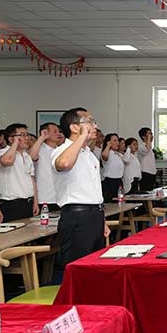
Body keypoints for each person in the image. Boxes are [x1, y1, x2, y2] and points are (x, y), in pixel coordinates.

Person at [52, 108, 110, 268]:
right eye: (90, 121)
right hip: (77, 217)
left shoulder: (89, 154)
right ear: (74, 127)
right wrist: (83, 136)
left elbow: (93, 191)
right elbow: (64, 163)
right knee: (78, 268)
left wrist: (102, 220)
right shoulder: (61, 150)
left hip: (95, 215)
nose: (95, 126)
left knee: (95, 268)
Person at [0, 123, 38, 221]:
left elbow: (32, 180)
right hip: (10, 203)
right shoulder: (1, 153)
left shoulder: (26, 156)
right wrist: (15, 144)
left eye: (27, 135)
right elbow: (7, 161)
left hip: (28, 202)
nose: (27, 138)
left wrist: (35, 202)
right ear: (11, 139)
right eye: (22, 135)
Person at [30, 122, 64, 211]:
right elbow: (31, 157)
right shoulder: (39, 149)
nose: (58, 134)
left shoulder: (61, 150)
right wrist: (41, 138)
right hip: (45, 198)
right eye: (55, 131)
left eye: (59, 131)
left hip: (61, 198)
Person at [101, 133, 124, 202]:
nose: (117, 143)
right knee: (111, 204)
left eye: (117, 141)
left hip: (119, 182)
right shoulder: (107, 152)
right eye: (114, 141)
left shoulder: (117, 154)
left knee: (120, 202)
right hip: (110, 183)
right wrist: (108, 145)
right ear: (108, 142)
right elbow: (104, 156)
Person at [137, 127, 157, 191]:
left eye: (151, 134)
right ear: (143, 137)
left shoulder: (150, 148)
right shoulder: (141, 146)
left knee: (151, 193)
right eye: (149, 134)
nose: (151, 136)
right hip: (145, 174)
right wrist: (148, 139)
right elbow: (146, 149)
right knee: (145, 193)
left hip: (152, 174)